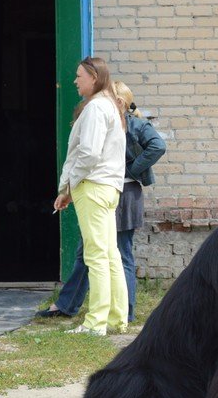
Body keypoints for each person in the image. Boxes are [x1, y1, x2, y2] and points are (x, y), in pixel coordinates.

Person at [38, 81, 166, 323]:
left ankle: (123, 311)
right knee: (91, 251)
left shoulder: (133, 123)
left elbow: (158, 145)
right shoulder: (110, 119)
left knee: (117, 253)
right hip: (111, 190)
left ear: (121, 102)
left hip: (123, 193)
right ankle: (70, 304)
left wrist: (131, 168)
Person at [53, 57, 129, 336]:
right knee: (109, 255)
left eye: (79, 76)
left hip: (93, 186)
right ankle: (116, 318)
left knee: (97, 256)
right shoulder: (111, 105)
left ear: (94, 77)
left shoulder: (97, 107)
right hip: (107, 187)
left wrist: (68, 187)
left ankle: (95, 322)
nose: (75, 81)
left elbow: (88, 153)